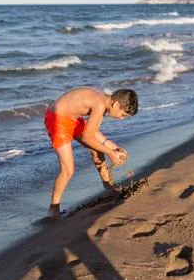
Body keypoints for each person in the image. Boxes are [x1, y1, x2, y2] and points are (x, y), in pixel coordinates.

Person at [44, 87, 138, 219]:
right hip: (57, 119)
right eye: (123, 114)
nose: (122, 118)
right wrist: (111, 153)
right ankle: (53, 209)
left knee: (96, 149)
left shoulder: (104, 101)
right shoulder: (99, 105)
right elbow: (88, 138)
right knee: (68, 170)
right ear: (116, 104)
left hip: (72, 118)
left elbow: (93, 133)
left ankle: (108, 185)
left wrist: (114, 148)